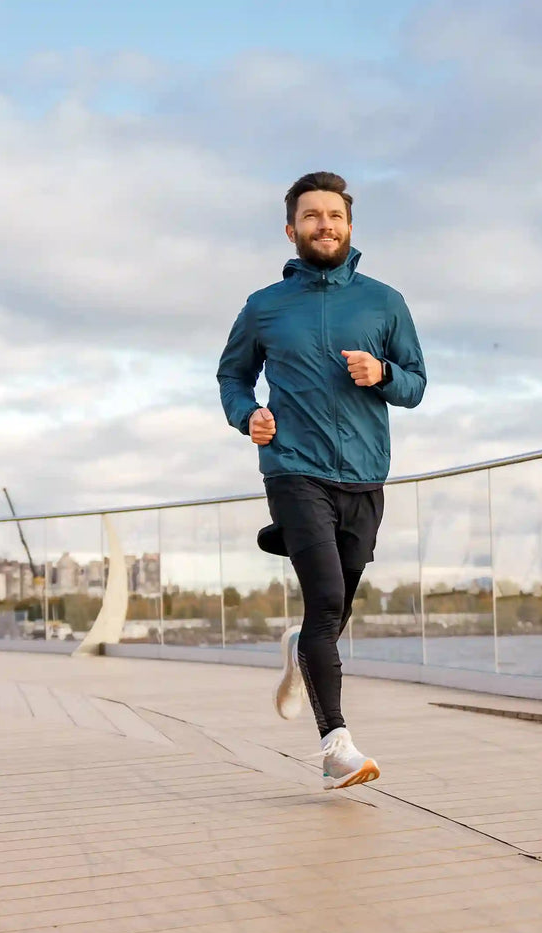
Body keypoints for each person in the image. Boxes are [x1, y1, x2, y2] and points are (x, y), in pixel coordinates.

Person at [216, 171, 427, 789]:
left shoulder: (385, 302)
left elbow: (416, 384)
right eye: (311, 216)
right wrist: (247, 416)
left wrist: (382, 373)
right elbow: (232, 377)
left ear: (349, 226)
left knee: (332, 614)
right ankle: (337, 747)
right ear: (292, 230)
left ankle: (299, 647)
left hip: (364, 473)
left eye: (334, 216)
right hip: (293, 467)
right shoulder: (264, 306)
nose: (324, 225)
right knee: (328, 600)